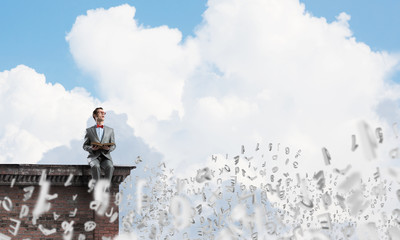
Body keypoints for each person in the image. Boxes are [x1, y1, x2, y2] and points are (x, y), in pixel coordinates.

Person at [83, 107, 116, 184]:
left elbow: (113, 145)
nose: (103, 114)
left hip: (106, 157)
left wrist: (108, 148)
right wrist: (92, 148)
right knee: (95, 167)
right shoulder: (89, 130)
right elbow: (85, 146)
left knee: (110, 167)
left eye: (104, 113)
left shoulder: (110, 130)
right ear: (95, 115)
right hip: (94, 156)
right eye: (100, 112)